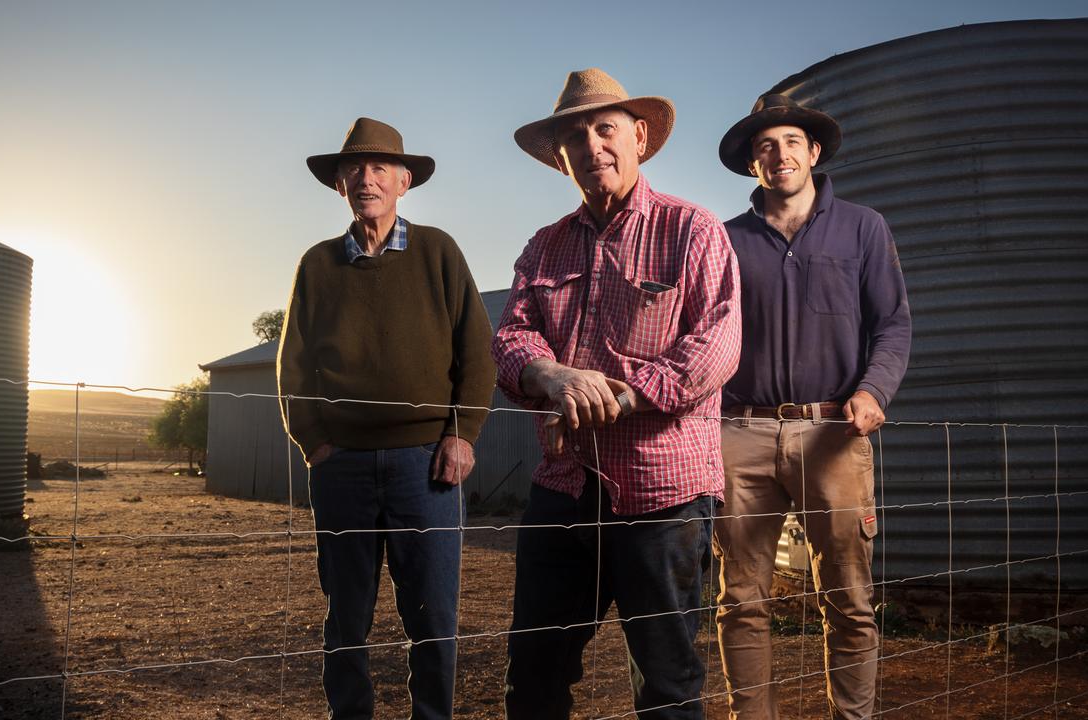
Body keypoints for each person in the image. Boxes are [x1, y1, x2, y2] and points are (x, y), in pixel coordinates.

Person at [492, 68, 742, 719]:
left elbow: (715, 349)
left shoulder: (692, 230)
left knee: (666, 683)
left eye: (605, 129)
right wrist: (553, 377)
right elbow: (512, 338)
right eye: (574, 136)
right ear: (560, 158)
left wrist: (623, 398)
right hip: (565, 483)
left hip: (663, 494)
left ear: (638, 137)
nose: (591, 145)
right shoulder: (543, 249)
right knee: (535, 676)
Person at [277, 116, 496, 720]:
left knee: (432, 616)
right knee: (346, 617)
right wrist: (315, 444)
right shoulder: (318, 266)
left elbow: (477, 353)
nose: (366, 178)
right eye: (354, 168)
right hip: (340, 466)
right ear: (339, 184)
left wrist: (462, 434)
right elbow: (292, 365)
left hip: (424, 465)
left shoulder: (439, 251)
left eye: (379, 168)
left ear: (404, 181)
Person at [712, 94, 912, 720]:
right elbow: (705, 335)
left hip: (833, 431)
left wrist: (874, 391)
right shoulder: (725, 241)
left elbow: (894, 325)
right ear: (753, 164)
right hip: (740, 432)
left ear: (813, 151)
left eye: (791, 141)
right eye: (765, 146)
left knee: (848, 596)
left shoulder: (863, 227)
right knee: (741, 600)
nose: (780, 154)